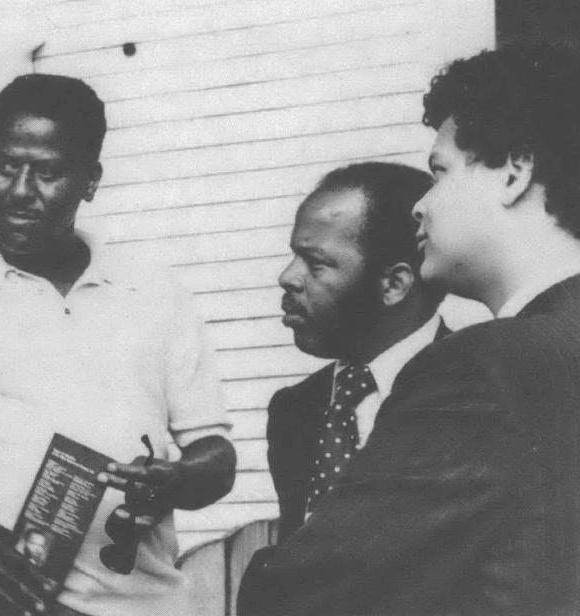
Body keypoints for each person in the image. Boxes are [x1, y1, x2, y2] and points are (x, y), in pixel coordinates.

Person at [237, 44, 580, 616]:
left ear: (514, 173)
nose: (421, 206)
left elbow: (300, 593)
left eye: (439, 172)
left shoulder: (480, 367)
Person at [0, 73, 236, 616]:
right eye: (6, 166)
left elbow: (217, 457)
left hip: (140, 605)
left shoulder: (156, 291)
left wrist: (176, 480)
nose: (20, 191)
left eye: (47, 172)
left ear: (89, 180)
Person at [271, 162, 448, 542]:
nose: (287, 277)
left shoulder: (477, 391)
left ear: (395, 284)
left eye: (315, 263)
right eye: (294, 256)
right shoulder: (293, 411)